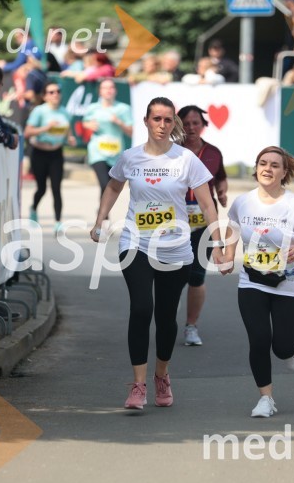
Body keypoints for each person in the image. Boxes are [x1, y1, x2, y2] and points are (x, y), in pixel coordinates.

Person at [89, 97, 226, 410]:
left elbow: (207, 204)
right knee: (141, 309)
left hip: (175, 247)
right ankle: (138, 385)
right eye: (157, 119)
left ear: (173, 123)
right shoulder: (130, 157)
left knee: (166, 317)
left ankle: (161, 375)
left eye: (168, 120)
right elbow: (113, 186)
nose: (162, 125)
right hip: (135, 244)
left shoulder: (186, 159)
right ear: (146, 122)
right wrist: (101, 219)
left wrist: (216, 243)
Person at [222, 146, 294, 418]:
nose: (267, 168)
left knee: (283, 348)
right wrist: (229, 256)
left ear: (284, 172)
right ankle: (265, 398)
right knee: (259, 338)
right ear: (256, 168)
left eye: (274, 165)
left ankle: (290, 349)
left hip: (288, 283)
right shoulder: (243, 202)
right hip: (252, 281)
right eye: (262, 163)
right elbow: (232, 228)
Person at [177, 105, 228, 346]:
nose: (191, 128)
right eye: (185, 123)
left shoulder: (213, 152)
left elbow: (221, 177)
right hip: (173, 223)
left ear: (203, 125)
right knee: (173, 276)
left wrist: (222, 192)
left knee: (197, 275)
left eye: (195, 122)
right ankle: (166, 321)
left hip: (204, 223)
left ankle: (191, 326)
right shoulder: (171, 152)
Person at [23, 81, 76, 231]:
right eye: (51, 92)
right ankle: (33, 208)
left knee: (56, 188)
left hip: (56, 153)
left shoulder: (65, 112)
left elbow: (68, 131)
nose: (56, 95)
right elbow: (27, 132)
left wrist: (70, 139)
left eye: (58, 91)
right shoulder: (39, 111)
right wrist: (47, 127)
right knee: (41, 188)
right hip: (39, 153)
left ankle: (58, 222)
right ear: (45, 96)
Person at [82, 79, 134, 198]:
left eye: (111, 87)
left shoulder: (123, 108)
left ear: (115, 91)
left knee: (110, 187)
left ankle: (102, 212)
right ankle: (104, 215)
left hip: (115, 152)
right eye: (105, 88)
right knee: (104, 184)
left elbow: (131, 132)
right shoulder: (92, 108)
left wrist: (119, 122)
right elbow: (84, 123)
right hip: (97, 151)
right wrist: (89, 125)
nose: (108, 90)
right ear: (100, 91)